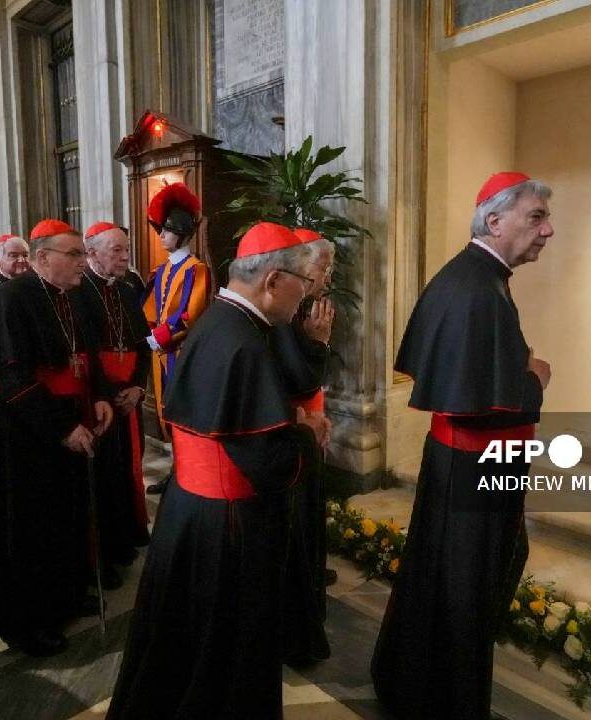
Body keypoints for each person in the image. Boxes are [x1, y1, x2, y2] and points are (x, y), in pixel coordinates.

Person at [107, 222, 329, 719]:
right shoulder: (246, 342)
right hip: (229, 524)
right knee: (226, 650)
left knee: (181, 642)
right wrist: (308, 434)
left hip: (190, 511)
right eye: (303, 283)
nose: (306, 295)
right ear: (273, 281)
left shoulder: (218, 320)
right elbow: (268, 460)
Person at [371, 172, 554, 719]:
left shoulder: (470, 277)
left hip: (457, 463)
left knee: (437, 577)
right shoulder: (481, 290)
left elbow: (469, 377)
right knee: (464, 593)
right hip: (476, 469)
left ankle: (411, 682)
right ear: (495, 221)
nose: (548, 231)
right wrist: (537, 376)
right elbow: (490, 396)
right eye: (536, 217)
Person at [0, 219, 114, 658]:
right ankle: (25, 622)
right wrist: (62, 428)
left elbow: (87, 355)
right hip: (20, 428)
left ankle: (64, 596)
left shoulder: (78, 295)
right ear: (42, 259)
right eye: (75, 255)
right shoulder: (9, 299)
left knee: (64, 515)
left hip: (64, 416)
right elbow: (12, 376)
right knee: (27, 525)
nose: (84, 263)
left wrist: (100, 396)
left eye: (83, 254)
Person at [274, 228, 336, 667]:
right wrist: (317, 344)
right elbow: (293, 376)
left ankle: (312, 574)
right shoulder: (280, 316)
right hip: (290, 428)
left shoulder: (305, 309)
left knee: (313, 508)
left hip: (306, 421)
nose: (326, 277)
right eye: (321, 268)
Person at [79, 221, 152, 586]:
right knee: (103, 476)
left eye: (126, 249)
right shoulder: (79, 292)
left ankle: (125, 539)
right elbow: (85, 355)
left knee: (127, 469)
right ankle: (101, 554)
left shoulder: (127, 289)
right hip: (99, 400)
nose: (126, 256)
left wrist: (139, 388)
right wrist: (109, 394)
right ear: (91, 253)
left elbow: (142, 345)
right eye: (117, 250)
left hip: (129, 396)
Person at [141, 182, 211, 495]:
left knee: (184, 411)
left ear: (181, 232)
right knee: (165, 412)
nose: (161, 236)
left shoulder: (197, 270)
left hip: (181, 352)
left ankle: (185, 474)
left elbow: (188, 316)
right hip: (160, 352)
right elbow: (151, 309)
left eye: (167, 231)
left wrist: (158, 337)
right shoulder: (161, 269)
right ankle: (175, 471)